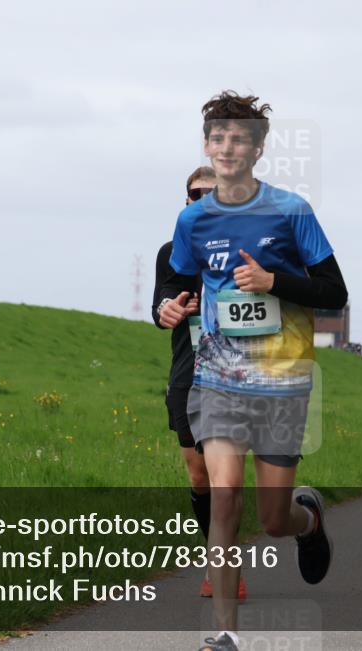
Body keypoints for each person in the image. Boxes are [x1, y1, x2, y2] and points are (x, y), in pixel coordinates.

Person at [159, 90, 348, 651]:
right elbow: (178, 281)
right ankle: (225, 634)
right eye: (217, 137)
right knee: (224, 495)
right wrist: (167, 306)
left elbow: (334, 292)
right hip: (217, 378)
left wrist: (274, 282)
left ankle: (307, 521)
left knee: (271, 519)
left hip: (282, 381)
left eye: (239, 138)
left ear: (258, 149)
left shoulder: (292, 211)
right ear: (207, 146)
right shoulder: (193, 219)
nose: (227, 147)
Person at [152, 166, 247, 600]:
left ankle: (224, 566)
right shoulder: (172, 251)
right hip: (188, 374)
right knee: (198, 477)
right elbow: (162, 302)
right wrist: (168, 310)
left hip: (234, 375)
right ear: (187, 202)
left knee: (226, 479)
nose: (205, 199)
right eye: (197, 194)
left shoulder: (249, 250)